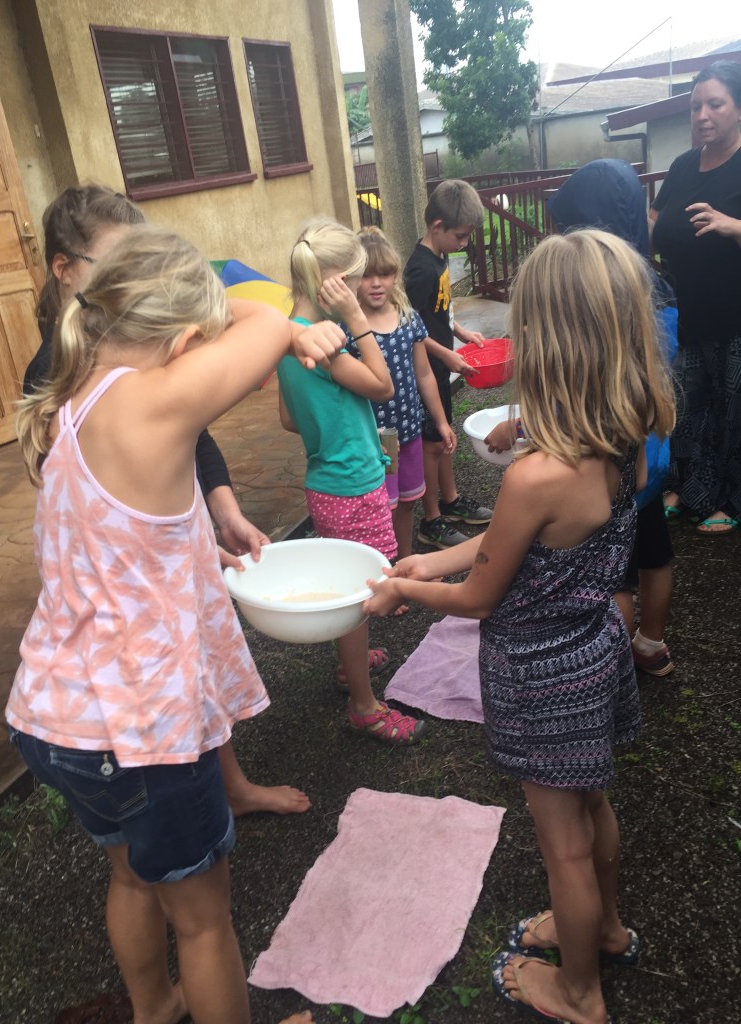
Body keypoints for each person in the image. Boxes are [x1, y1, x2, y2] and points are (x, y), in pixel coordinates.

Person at [7, 224, 342, 1024]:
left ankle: (154, 1006)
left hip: (59, 722)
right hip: (141, 736)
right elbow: (266, 321)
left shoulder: (72, 402)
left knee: (130, 874)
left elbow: (114, 540)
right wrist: (273, 320)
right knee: (203, 922)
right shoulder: (151, 404)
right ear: (187, 343)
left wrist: (191, 550)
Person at [366, 230, 675, 1024]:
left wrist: (406, 591)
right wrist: (429, 562)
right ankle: (605, 929)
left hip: (540, 674)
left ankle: (578, 992)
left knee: (562, 844)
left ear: (549, 340)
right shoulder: (623, 438)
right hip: (594, 648)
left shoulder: (537, 473)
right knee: (591, 807)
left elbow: (479, 597)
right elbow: (513, 545)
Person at [26, 184, 309, 816]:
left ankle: (230, 789)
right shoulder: (134, 394)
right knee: (199, 881)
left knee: (128, 858)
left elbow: (112, 519)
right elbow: (267, 320)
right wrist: (237, 309)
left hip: (62, 704)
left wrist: (203, 535)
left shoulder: (80, 385)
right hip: (140, 712)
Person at [277, 217, 425, 744]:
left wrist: (329, 417)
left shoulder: (288, 336)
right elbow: (383, 386)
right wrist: (356, 319)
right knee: (359, 595)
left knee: (352, 586)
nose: (363, 288)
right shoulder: (327, 348)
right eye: (356, 279)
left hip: (325, 477)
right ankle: (363, 706)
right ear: (336, 283)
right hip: (352, 482)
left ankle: (350, 664)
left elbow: (288, 419)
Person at [546, 158, 679, 677]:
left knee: (613, 573)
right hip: (652, 450)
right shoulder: (658, 287)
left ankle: (615, 669)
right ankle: (651, 645)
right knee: (655, 549)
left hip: (608, 459)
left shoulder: (594, 297)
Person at [650, 61, 741, 536]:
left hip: (735, 319)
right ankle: (687, 489)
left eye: (715, 104)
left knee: (733, 412)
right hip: (686, 315)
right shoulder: (684, 165)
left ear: (739, 108)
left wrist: (733, 226)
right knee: (686, 409)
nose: (702, 115)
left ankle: (729, 500)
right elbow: (655, 217)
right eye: (695, 106)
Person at [353, 227, 457, 560]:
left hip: (410, 432)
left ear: (395, 275)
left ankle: (405, 561)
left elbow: (424, 374)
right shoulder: (348, 328)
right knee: (383, 507)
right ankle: (383, 568)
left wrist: (441, 422)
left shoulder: (407, 317)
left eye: (384, 274)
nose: (376, 283)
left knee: (409, 501)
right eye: (366, 275)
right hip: (374, 440)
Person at [404, 179, 493, 549]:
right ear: (437, 226)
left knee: (444, 439)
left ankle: (451, 500)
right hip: (423, 370)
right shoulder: (420, 271)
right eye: (460, 236)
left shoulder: (439, 257)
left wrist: (461, 332)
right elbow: (409, 328)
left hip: (439, 367)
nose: (464, 243)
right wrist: (445, 354)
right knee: (431, 444)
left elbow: (440, 312)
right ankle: (431, 520)